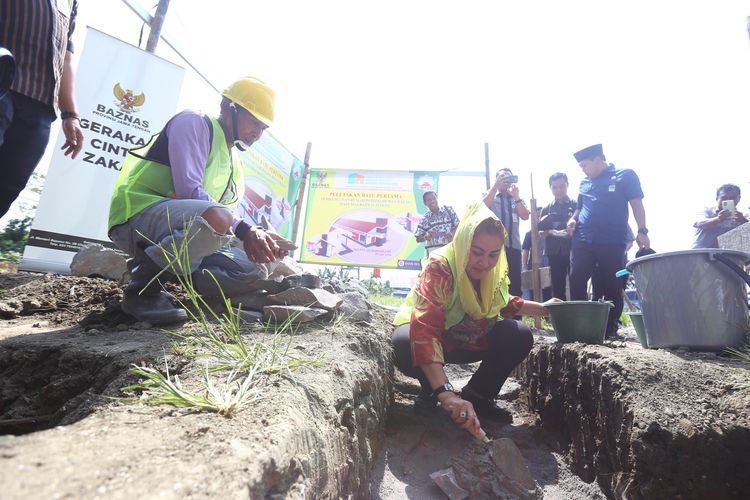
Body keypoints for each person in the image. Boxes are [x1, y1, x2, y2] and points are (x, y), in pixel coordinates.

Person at [108, 77, 293, 325]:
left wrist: (260, 241)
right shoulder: (194, 122)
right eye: (254, 122)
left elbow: (226, 222)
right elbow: (190, 191)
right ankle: (143, 291)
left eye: (263, 128)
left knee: (254, 266)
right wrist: (245, 230)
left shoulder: (233, 162)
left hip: (182, 233)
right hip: (136, 218)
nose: (257, 134)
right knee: (219, 217)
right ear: (228, 107)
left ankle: (180, 283)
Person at [392, 202, 558, 438]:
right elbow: (425, 329)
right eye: (477, 252)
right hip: (433, 342)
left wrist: (544, 309)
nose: (485, 262)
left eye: (493, 255)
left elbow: (502, 302)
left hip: (469, 341)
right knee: (405, 340)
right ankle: (432, 388)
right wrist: (447, 394)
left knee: (518, 334)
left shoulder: (494, 270)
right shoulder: (440, 266)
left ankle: (478, 396)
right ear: (463, 242)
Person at [0, 0, 84, 218]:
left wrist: (70, 114)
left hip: (40, 108)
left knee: (8, 186)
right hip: (3, 84)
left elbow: (65, 59)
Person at [566, 144, 650, 339]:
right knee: (577, 277)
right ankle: (580, 324)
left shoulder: (625, 175)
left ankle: (609, 328)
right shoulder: (584, 183)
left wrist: (642, 230)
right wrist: (573, 219)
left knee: (612, 283)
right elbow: (580, 206)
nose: (583, 170)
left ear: (597, 159)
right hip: (583, 239)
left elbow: (637, 203)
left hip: (612, 241)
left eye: (584, 165)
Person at [483, 168, 529, 299]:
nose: (505, 180)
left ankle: (516, 317)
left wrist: (516, 197)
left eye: (508, 177)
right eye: (502, 177)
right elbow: (482, 207)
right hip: (494, 248)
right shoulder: (489, 195)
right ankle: (496, 316)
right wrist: (495, 186)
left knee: (514, 283)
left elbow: (525, 216)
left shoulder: (516, 198)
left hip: (514, 247)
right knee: (494, 282)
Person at [538, 172, 576, 300]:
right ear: (551, 188)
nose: (559, 190)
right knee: (558, 285)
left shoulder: (575, 205)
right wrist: (546, 232)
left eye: (562, 186)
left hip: (573, 250)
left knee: (576, 282)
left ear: (567, 185)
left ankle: (579, 315)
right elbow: (541, 231)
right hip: (554, 252)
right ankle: (561, 317)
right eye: (555, 187)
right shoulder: (546, 209)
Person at [692, 184, 747, 248]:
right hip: (701, 253)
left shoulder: (743, 216)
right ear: (717, 198)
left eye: (733, 198)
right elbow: (697, 223)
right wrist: (718, 219)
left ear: (739, 198)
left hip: (727, 255)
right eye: (724, 198)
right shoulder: (707, 211)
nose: (728, 200)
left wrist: (743, 221)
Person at [413, 191, 460, 255]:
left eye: (433, 198)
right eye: (429, 200)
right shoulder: (425, 219)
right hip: (434, 254)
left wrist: (452, 233)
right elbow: (418, 239)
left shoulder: (449, 210)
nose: (432, 201)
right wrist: (426, 237)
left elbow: (458, 226)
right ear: (425, 203)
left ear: (436, 198)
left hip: (450, 250)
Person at [521, 208, 552, 301]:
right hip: (533, 266)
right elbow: (525, 251)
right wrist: (524, 267)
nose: (539, 219)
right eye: (537, 216)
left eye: (540, 216)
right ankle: (534, 314)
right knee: (533, 293)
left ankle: (546, 314)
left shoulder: (550, 232)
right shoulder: (529, 233)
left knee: (547, 293)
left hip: (547, 266)